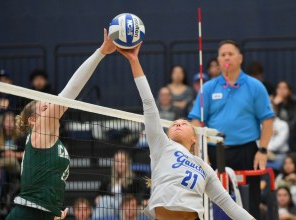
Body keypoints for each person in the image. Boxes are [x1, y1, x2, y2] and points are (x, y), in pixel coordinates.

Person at [116, 43, 255, 220]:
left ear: (194, 138)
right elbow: (149, 103)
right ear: (166, 133)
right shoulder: (162, 146)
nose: (178, 124)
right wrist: (134, 61)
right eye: (174, 124)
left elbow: (228, 205)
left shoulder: (205, 168)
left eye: (184, 123)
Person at [6, 29, 116, 220]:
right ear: (33, 120)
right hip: (27, 214)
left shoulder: (52, 141)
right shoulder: (40, 130)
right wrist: (101, 52)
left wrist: (53, 210)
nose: (50, 103)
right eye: (44, 103)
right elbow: (72, 90)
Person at [188, 40, 274, 218]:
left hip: (246, 151)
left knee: (249, 203)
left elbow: (267, 120)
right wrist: (200, 150)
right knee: (213, 203)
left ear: (240, 58)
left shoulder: (255, 86)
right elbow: (196, 120)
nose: (227, 57)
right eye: (223, 55)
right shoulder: (209, 88)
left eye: (230, 54)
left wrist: (263, 150)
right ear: (218, 60)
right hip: (214, 152)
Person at [93, 150, 147, 218]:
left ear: (127, 162)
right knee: (104, 201)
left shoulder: (135, 179)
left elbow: (140, 197)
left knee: (105, 200)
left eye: (122, 160)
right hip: (109, 208)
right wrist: (98, 197)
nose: (119, 163)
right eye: (117, 161)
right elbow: (99, 194)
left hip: (127, 208)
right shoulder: (107, 179)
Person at [273, 81, 296, 152]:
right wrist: (274, 104)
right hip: (274, 136)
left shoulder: (294, 104)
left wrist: (282, 130)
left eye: (284, 88)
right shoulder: (272, 103)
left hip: (290, 136)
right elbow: (268, 120)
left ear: (289, 91)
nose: (281, 90)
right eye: (279, 88)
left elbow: (294, 123)